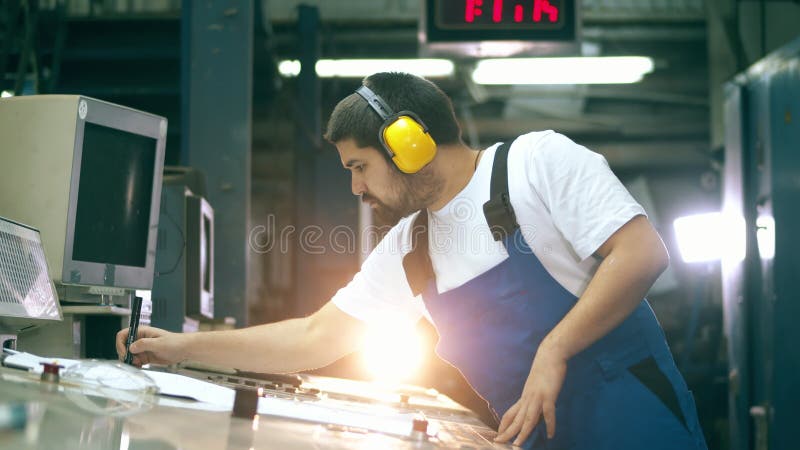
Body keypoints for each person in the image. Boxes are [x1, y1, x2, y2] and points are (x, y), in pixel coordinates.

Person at [118, 72, 707, 450]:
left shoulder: (536, 164)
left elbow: (641, 253)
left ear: (409, 142)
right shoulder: (411, 247)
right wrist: (176, 349)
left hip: (636, 427)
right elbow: (314, 336)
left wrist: (555, 348)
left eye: (358, 166)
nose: (356, 188)